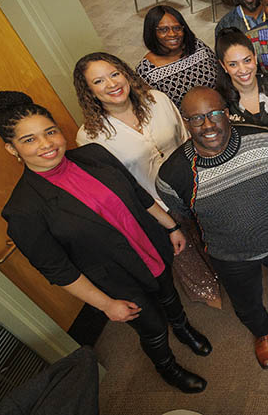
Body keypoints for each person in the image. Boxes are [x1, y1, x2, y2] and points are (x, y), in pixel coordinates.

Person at [0, 91, 209, 393]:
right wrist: (106, 304)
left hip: (150, 248)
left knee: (170, 295)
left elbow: (138, 194)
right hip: (115, 281)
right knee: (152, 327)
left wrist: (171, 226)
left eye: (50, 132)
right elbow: (59, 271)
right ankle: (167, 366)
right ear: (11, 148)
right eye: (29, 140)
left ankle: (184, 328)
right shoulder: (23, 210)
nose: (46, 144)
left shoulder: (94, 155)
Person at [157, 87, 268, 370]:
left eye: (214, 114)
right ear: (186, 122)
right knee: (245, 301)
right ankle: (262, 331)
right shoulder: (171, 175)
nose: (208, 125)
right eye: (197, 118)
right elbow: (185, 214)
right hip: (229, 253)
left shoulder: (266, 140)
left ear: (227, 113)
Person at [73, 52, 222, 309]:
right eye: (98, 81)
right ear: (89, 92)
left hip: (193, 186)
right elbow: (117, 187)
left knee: (214, 236)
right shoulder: (89, 136)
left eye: (115, 74)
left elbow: (186, 137)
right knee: (184, 253)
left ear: (125, 74)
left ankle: (228, 274)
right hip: (154, 206)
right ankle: (208, 293)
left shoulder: (158, 100)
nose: (111, 84)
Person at [215, 27, 268, 141]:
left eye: (247, 60)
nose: (243, 70)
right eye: (233, 64)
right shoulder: (218, 101)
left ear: (255, 57)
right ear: (223, 66)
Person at [136, 5, 222, 107]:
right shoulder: (146, 70)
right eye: (163, 30)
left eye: (177, 28)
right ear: (152, 32)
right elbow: (155, 108)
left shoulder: (197, 46)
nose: (172, 34)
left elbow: (221, 73)